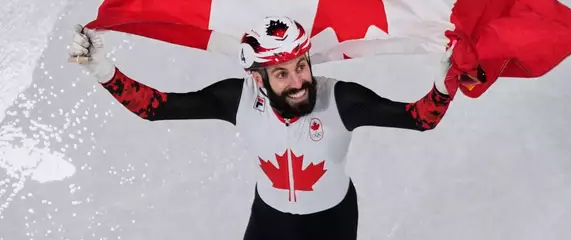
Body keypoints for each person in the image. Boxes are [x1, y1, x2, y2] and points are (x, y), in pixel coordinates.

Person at [68, 16, 459, 240]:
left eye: (302, 66)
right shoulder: (236, 99)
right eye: (282, 73)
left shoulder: (341, 100)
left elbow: (418, 119)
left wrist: (445, 84)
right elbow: (155, 109)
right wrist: (104, 71)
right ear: (258, 79)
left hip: (331, 223)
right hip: (270, 220)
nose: (298, 82)